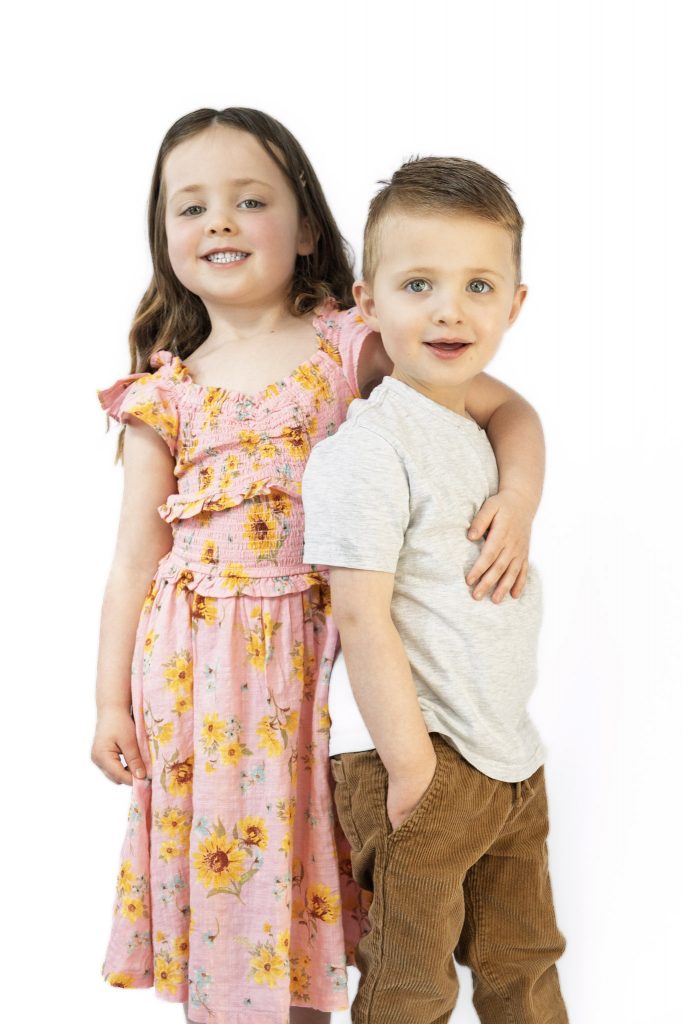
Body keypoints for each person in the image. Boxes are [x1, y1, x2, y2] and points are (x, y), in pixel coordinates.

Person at [92, 107, 546, 1024]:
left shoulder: (353, 341)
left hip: (325, 671)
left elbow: (507, 411)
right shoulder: (163, 389)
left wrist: (519, 504)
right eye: (192, 207)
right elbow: (134, 557)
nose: (218, 221)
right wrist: (109, 701)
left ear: (305, 230)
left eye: (248, 200)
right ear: (164, 236)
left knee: (319, 877)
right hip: (200, 689)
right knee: (233, 890)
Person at [302, 156, 569, 1024]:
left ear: (514, 306)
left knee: (523, 965)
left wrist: (520, 498)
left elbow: (520, 414)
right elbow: (359, 612)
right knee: (410, 986)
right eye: (419, 283)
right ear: (368, 305)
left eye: (478, 284)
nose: (450, 308)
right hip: (421, 757)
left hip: (506, 755)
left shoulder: (473, 418)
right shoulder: (370, 447)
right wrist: (412, 768)